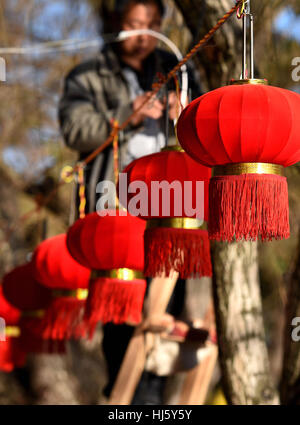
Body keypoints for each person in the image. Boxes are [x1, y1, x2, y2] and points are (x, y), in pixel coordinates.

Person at [58, 0, 202, 404]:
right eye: (133, 24)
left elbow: (207, 122)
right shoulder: (89, 74)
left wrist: (185, 111)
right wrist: (127, 114)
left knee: (164, 312)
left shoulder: (177, 68)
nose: (141, 34)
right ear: (117, 24)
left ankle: (152, 398)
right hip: (117, 207)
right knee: (122, 312)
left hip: (170, 203)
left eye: (150, 24)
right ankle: (124, 397)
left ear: (160, 25)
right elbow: (74, 129)